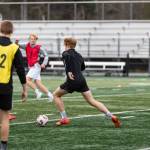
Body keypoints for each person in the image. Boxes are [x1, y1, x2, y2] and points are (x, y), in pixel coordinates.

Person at [53, 37, 121, 128]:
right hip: (81, 80)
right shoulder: (79, 55)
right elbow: (82, 68)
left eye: (64, 44)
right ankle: (111, 115)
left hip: (72, 80)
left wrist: (69, 71)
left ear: (67, 44)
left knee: (56, 95)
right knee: (91, 100)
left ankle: (64, 118)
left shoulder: (65, 53)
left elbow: (67, 60)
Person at [0, 20, 27, 150]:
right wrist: (25, 89)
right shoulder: (14, 48)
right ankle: (3, 146)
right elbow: (21, 70)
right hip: (5, 86)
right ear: (11, 32)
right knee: (5, 117)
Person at [16, 34, 53, 102]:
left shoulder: (39, 47)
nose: (32, 40)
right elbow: (17, 45)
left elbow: (46, 55)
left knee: (26, 79)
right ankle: (50, 95)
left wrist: (44, 63)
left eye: (34, 39)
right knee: (38, 83)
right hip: (31, 66)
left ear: (36, 40)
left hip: (36, 65)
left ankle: (38, 92)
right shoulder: (26, 45)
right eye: (31, 39)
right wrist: (16, 42)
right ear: (29, 39)